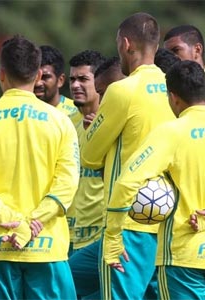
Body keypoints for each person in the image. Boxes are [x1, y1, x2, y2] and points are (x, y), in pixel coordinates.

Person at [0, 35, 80, 299]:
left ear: (1, 74)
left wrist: (7, 219)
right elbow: (68, 183)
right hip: (47, 245)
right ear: (38, 75)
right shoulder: (60, 121)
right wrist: (32, 223)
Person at [80, 12, 175, 300]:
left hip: (128, 220)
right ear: (156, 47)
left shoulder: (122, 90)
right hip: (167, 216)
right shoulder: (175, 88)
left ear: (125, 44)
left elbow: (89, 155)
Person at [103, 60, 205, 299]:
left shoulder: (172, 132)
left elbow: (127, 182)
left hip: (184, 256)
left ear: (173, 97)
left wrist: (112, 237)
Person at [65, 50, 106, 299]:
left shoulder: (112, 121)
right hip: (70, 237)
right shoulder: (65, 124)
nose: (76, 85)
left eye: (83, 79)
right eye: (72, 80)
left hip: (102, 235)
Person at [34, 45, 79, 121]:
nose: (38, 83)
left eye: (45, 77)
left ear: (60, 80)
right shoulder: (19, 112)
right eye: (34, 77)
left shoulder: (76, 112)